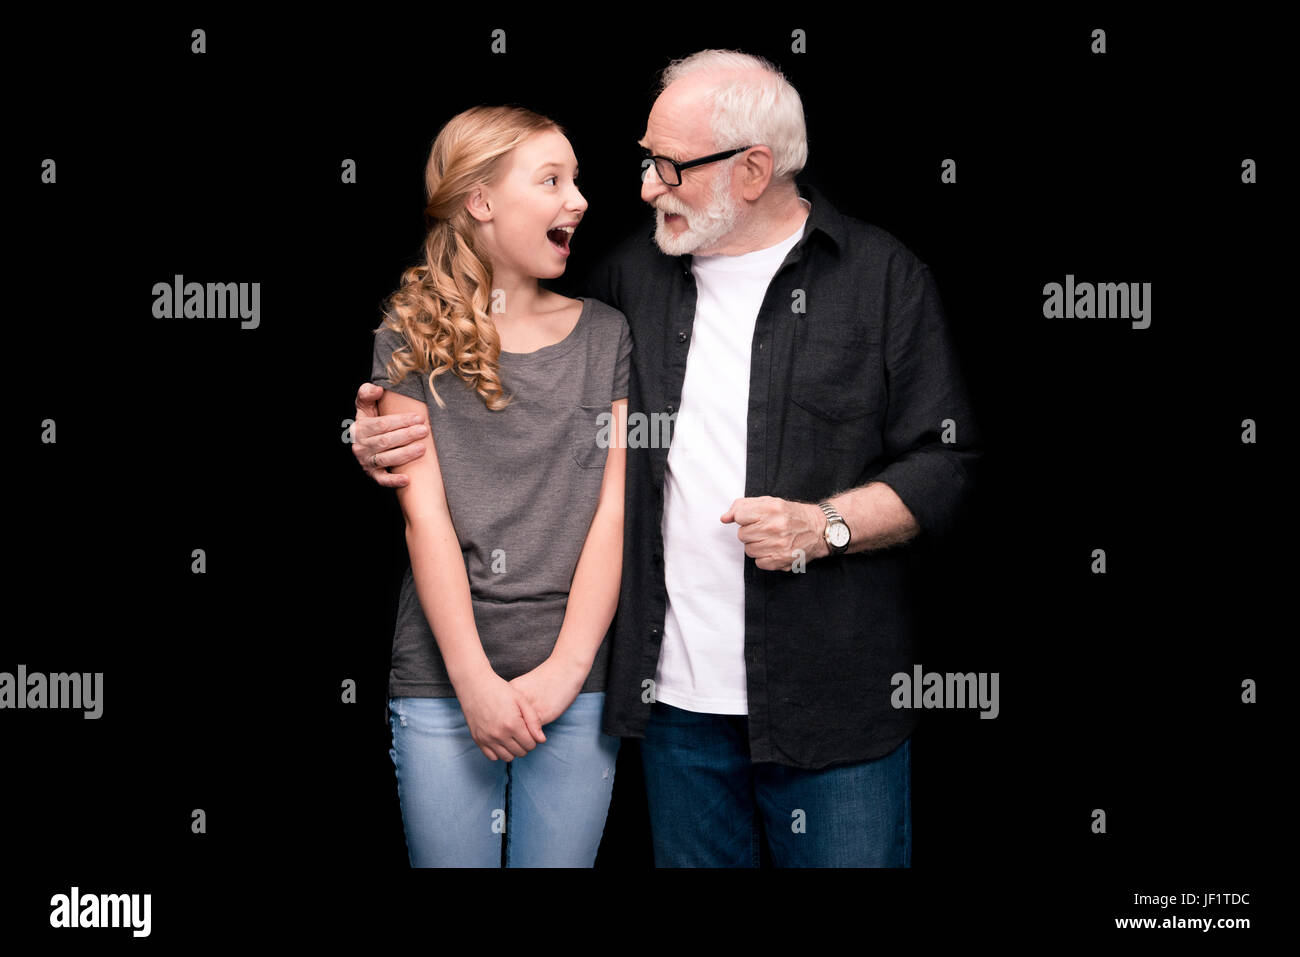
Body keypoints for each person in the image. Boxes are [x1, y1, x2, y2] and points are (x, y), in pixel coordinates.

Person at [354, 51, 981, 867]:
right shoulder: (628, 280)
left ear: (752, 170)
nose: (645, 186)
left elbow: (948, 460)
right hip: (673, 714)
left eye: (669, 166)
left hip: (833, 708)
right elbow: (503, 385)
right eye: (646, 162)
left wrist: (826, 524)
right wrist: (381, 440)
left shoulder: (881, 278)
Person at [365, 105, 631, 867]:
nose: (578, 199)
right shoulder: (407, 336)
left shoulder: (608, 334)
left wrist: (566, 672)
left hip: (576, 689)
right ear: (480, 201)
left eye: (577, 180)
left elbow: (614, 511)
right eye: (551, 179)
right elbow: (427, 521)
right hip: (441, 683)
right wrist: (474, 683)